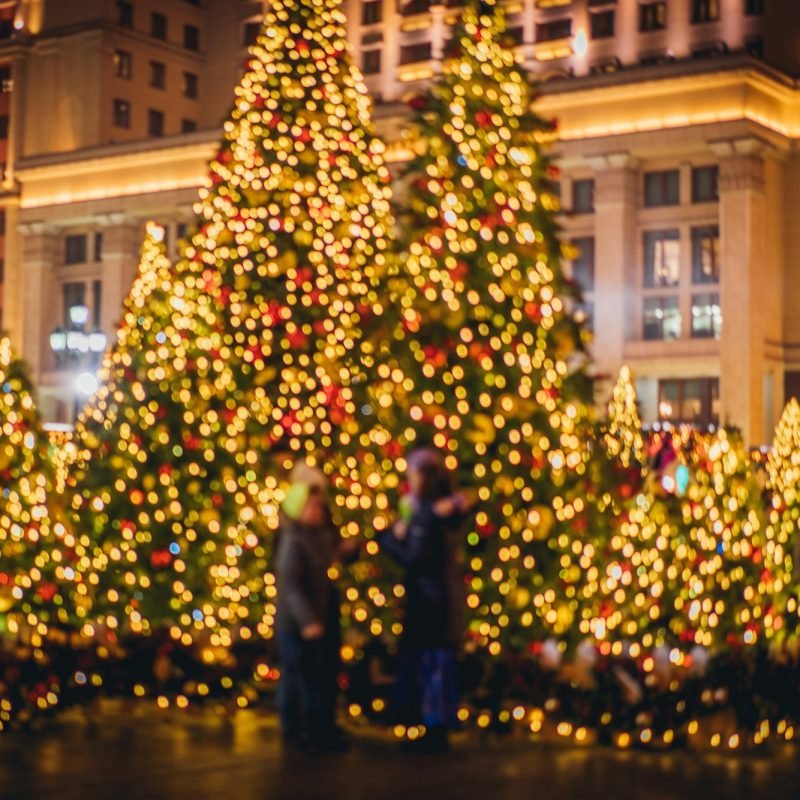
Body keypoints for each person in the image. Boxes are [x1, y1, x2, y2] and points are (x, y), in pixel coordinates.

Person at [380, 447, 470, 753]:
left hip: (430, 602)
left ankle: (434, 726)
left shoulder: (427, 514)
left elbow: (413, 557)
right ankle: (436, 723)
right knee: (439, 664)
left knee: (431, 663)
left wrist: (389, 538)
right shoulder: (445, 511)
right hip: (442, 598)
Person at [274, 462, 355, 753]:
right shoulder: (293, 541)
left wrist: (347, 550)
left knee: (312, 674)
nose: (319, 512)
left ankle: (314, 727)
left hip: (315, 616)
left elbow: (330, 556)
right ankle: (293, 728)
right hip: (294, 623)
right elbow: (291, 586)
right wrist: (307, 619)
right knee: (296, 673)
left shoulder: (319, 534)